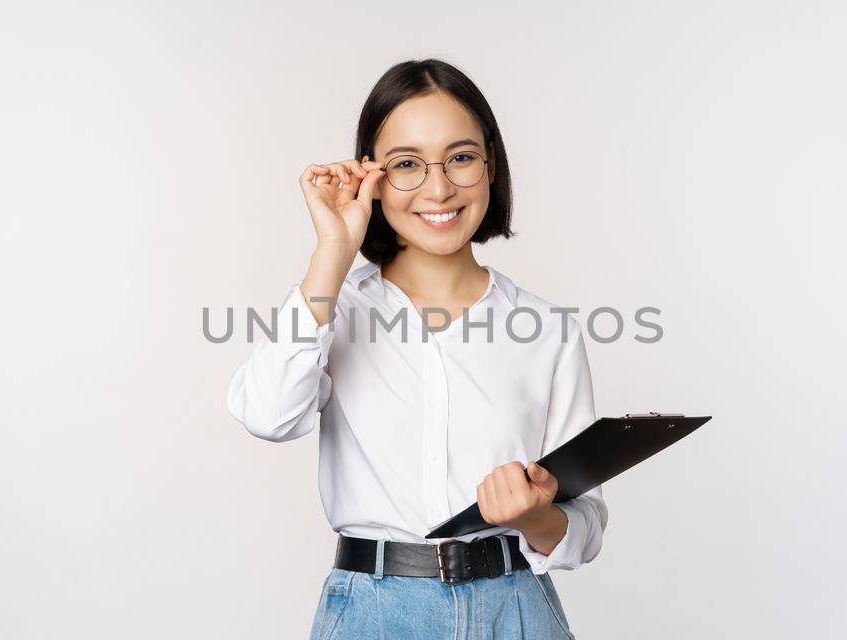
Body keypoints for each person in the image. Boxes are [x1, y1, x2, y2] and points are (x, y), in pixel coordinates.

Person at [227, 58, 604, 640]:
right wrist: (334, 248)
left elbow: (585, 529)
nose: (438, 188)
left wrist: (535, 515)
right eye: (406, 164)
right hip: (373, 613)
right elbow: (266, 415)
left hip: (518, 610)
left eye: (460, 157)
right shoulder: (335, 305)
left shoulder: (547, 330)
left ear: (491, 164)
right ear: (371, 176)